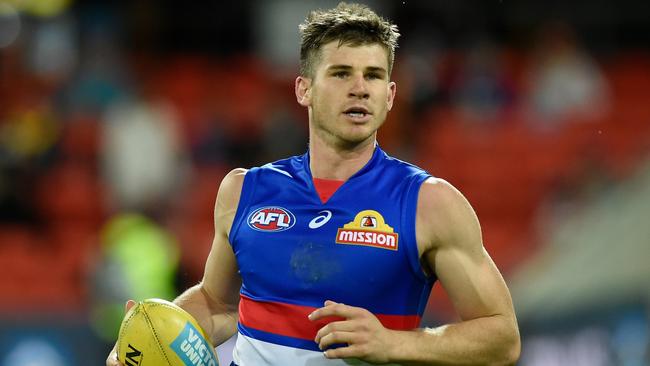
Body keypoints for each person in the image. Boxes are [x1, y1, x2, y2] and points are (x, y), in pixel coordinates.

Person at [107, 2, 520, 365]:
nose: (360, 88)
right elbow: (218, 303)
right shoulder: (243, 190)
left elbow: (502, 338)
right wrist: (149, 334)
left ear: (390, 95)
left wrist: (397, 344)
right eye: (341, 73)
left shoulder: (429, 204)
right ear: (304, 89)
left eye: (373, 76)